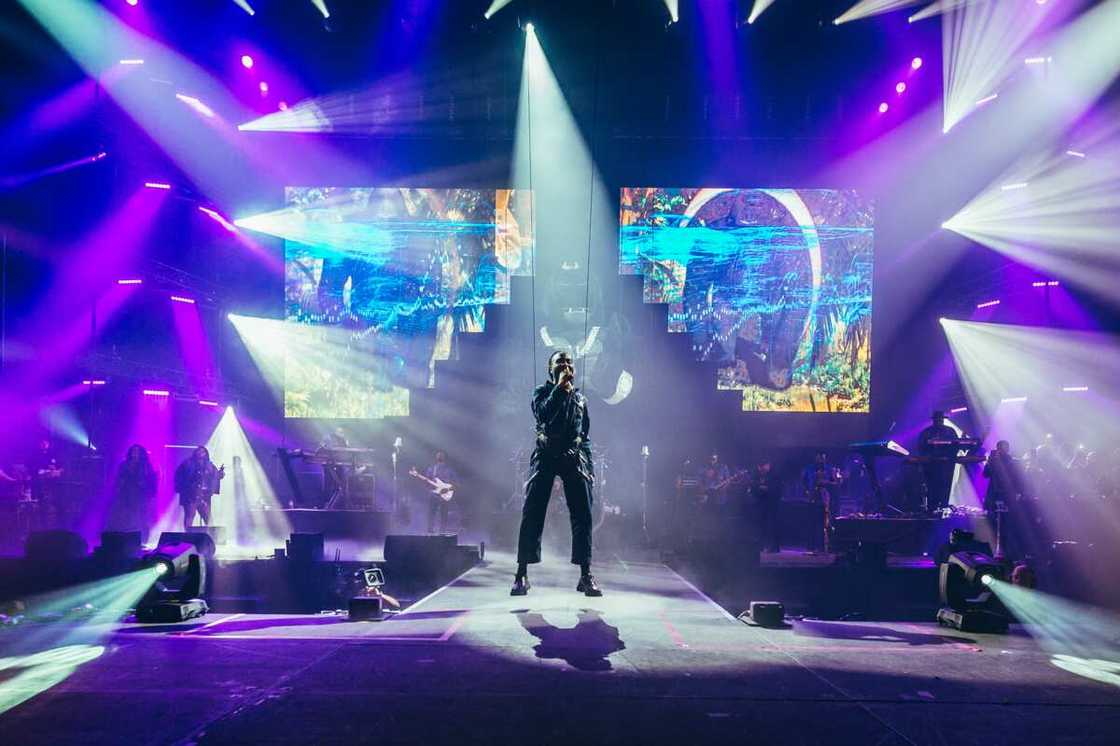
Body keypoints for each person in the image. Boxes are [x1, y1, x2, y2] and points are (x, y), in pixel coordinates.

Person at [512, 351, 600, 597]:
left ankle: (586, 574)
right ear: (549, 368)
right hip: (546, 453)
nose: (566, 365)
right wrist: (560, 388)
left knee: (583, 515)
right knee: (532, 512)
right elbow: (543, 414)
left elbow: (585, 434)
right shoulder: (541, 392)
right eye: (560, 362)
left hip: (573, 456)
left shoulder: (581, 398)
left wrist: (589, 468)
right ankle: (521, 574)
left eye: (569, 362)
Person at [109, 444, 157, 538]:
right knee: (127, 516)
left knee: (142, 516)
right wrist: (118, 490)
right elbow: (119, 479)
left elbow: (151, 480)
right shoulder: (124, 465)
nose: (135, 453)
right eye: (133, 451)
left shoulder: (146, 466)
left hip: (141, 494)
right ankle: (128, 537)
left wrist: (151, 494)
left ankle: (143, 538)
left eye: (137, 451)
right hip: (126, 494)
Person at [917, 411, 958, 512]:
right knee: (931, 486)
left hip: (946, 464)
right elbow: (920, 446)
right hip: (931, 464)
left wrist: (948, 454)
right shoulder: (927, 432)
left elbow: (956, 445)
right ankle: (932, 508)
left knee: (945, 485)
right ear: (934, 420)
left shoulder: (950, 431)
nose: (940, 421)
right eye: (938, 419)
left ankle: (943, 506)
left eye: (941, 419)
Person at [175, 446, 224, 530]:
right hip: (191, 495)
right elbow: (180, 477)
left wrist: (220, 474)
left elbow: (216, 476)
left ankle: (211, 537)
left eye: (203, 452)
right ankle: (187, 536)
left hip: (204, 495)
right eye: (199, 451)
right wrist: (186, 488)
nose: (201, 453)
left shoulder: (209, 465)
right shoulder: (188, 463)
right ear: (195, 453)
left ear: (206, 453)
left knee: (207, 517)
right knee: (190, 515)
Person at [802, 451, 840, 551]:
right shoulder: (808, 468)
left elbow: (835, 483)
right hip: (812, 498)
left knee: (823, 523)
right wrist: (807, 492)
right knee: (811, 523)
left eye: (823, 458)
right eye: (820, 458)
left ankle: (821, 547)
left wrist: (826, 483)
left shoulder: (829, 469)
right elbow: (804, 482)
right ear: (816, 458)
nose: (821, 460)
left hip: (824, 500)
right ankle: (810, 547)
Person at [424, 450, 457, 534]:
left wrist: (447, 489)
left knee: (444, 515)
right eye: (439, 455)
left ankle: (442, 532)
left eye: (441, 455)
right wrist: (430, 484)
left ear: (444, 458)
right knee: (431, 514)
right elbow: (427, 483)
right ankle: (430, 531)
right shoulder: (431, 469)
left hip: (445, 495)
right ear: (436, 457)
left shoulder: (450, 470)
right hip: (434, 494)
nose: (440, 457)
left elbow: (456, 484)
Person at [753, 460, 780, 553]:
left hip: (772, 504)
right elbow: (753, 487)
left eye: (764, 466)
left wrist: (767, 489)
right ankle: (761, 546)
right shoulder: (758, 476)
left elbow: (777, 488)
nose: (762, 469)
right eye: (760, 467)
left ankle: (773, 547)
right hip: (761, 504)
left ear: (768, 465)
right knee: (761, 525)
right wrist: (759, 488)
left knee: (771, 526)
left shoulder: (774, 475)